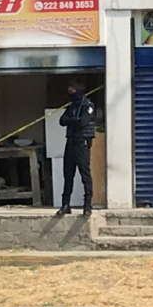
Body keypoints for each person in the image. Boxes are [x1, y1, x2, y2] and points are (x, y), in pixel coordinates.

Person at [56, 80, 96, 217]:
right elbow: (61, 121)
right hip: (70, 143)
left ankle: (87, 205)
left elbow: (83, 122)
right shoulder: (72, 106)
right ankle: (66, 204)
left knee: (85, 176)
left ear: (79, 91)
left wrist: (71, 120)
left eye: (72, 92)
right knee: (68, 175)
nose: (71, 95)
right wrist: (75, 120)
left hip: (82, 144)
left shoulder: (88, 106)